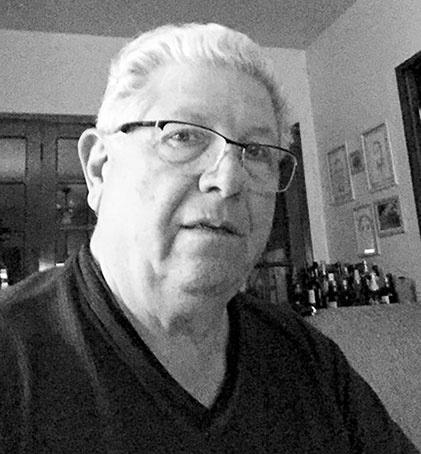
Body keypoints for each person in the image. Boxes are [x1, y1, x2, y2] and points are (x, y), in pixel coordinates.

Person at [0, 23, 418, 454]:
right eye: (183, 136)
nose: (229, 179)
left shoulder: (310, 360)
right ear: (99, 168)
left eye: (256, 152)